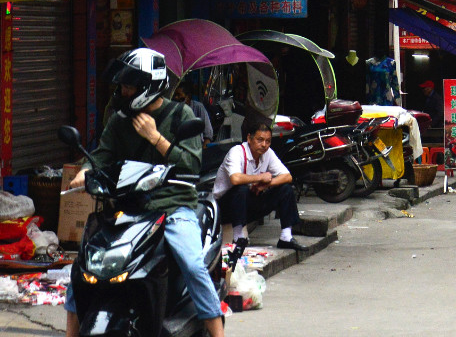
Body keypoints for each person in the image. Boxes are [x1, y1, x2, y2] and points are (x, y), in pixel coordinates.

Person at [65, 48, 223, 337]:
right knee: (83, 268)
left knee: (192, 265)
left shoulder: (181, 114)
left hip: (173, 207)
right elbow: (102, 155)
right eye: (122, 86)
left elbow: (191, 163)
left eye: (129, 86)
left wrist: (155, 137)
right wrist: (85, 171)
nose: (123, 92)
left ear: (148, 86)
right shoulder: (119, 120)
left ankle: (217, 332)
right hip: (128, 209)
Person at [216, 114, 299, 250]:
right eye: (260, 140)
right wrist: (260, 178)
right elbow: (235, 179)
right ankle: (238, 237)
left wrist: (266, 184)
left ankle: (286, 236)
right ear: (249, 138)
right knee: (241, 189)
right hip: (225, 208)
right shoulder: (236, 152)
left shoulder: (268, 153)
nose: (264, 145)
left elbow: (287, 176)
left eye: (268, 141)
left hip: (249, 204)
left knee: (285, 189)